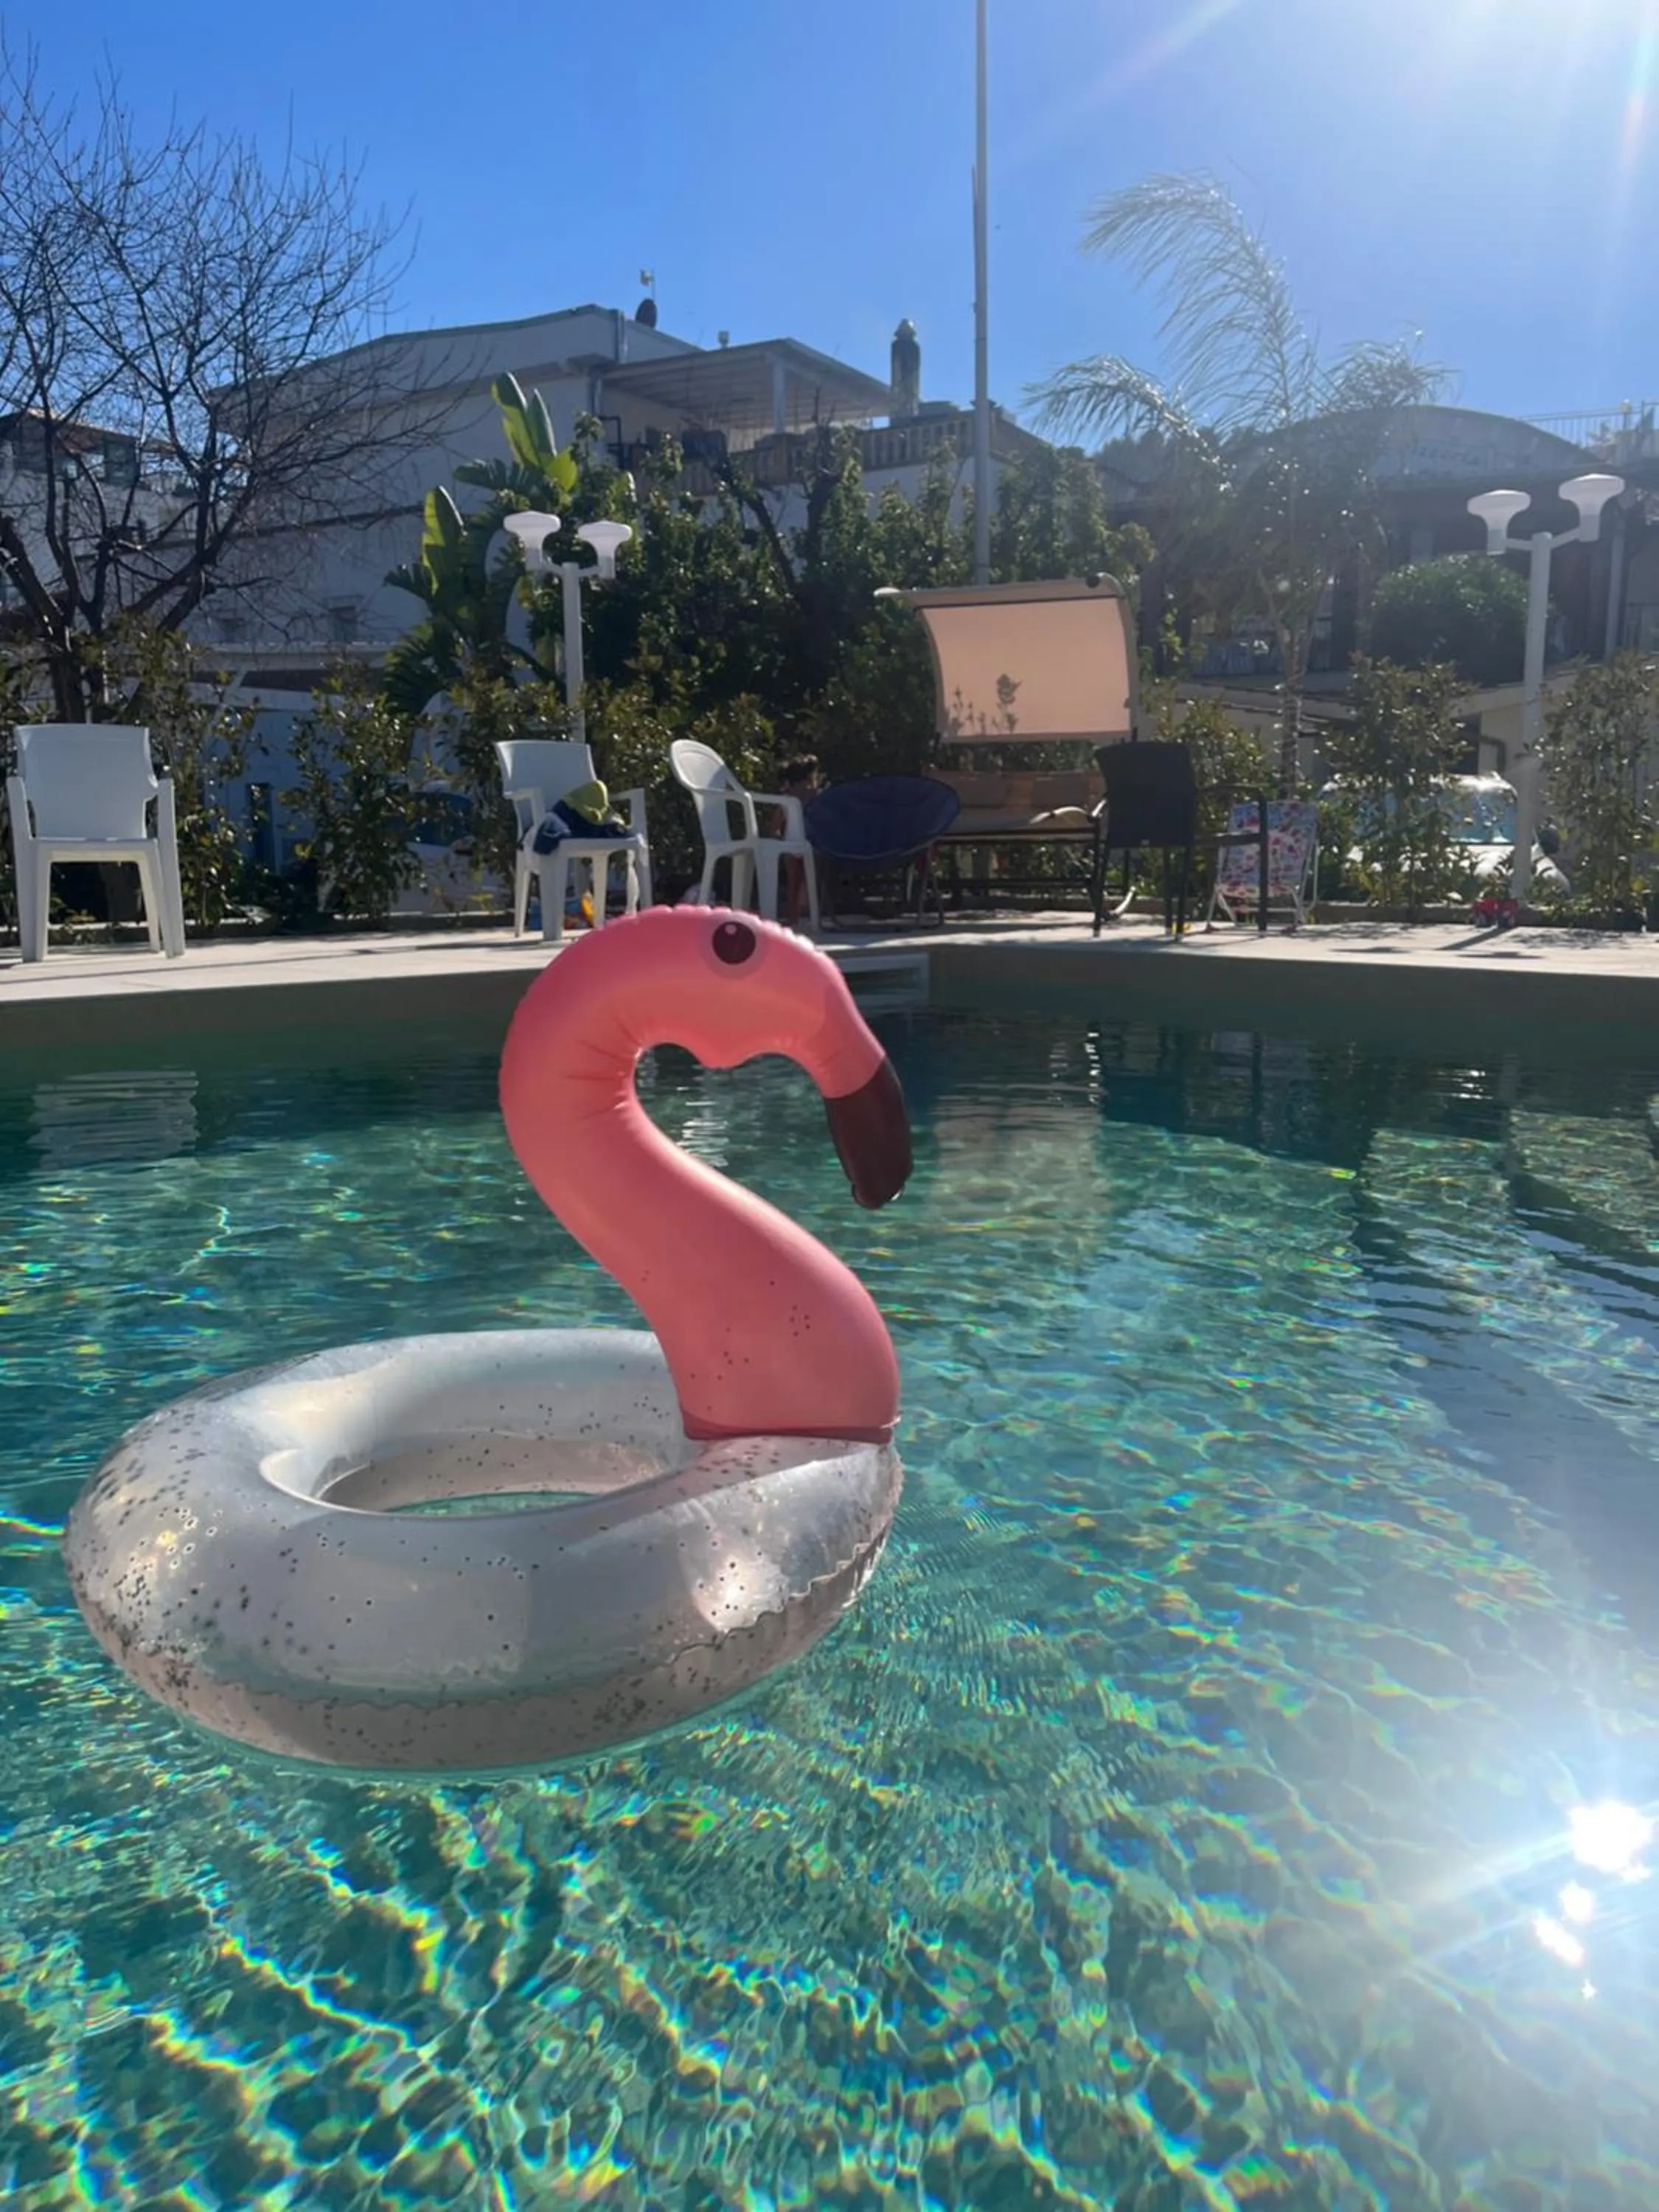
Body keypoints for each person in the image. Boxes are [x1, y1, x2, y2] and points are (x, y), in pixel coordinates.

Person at [770, 754, 820, 928]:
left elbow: (775, 826)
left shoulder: (786, 799)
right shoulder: (815, 796)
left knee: (794, 881)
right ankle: (812, 911)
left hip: (791, 844)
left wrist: (777, 841)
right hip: (813, 844)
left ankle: (793, 916)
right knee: (811, 878)